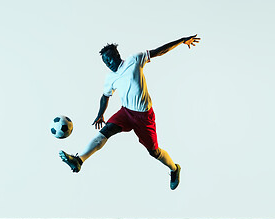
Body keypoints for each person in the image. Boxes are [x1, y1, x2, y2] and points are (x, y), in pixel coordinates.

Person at [59, 34, 200, 190]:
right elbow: (105, 96)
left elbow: (159, 51)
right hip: (125, 113)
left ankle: (174, 168)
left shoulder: (134, 60)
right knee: (105, 132)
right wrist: (100, 114)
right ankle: (79, 161)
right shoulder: (110, 78)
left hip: (144, 117)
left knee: (154, 152)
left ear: (117, 56)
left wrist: (181, 41)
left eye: (110, 59)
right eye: (105, 62)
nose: (108, 63)